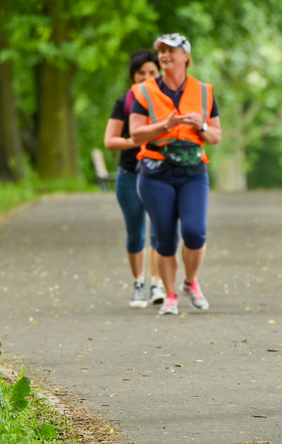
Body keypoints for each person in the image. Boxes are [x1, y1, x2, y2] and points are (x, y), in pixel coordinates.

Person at [129, 33, 221, 316]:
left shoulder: (204, 91)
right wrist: (165, 125)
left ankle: (190, 282)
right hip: (156, 174)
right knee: (165, 237)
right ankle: (170, 295)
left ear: (185, 57)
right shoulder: (144, 91)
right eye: (162, 51)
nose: (165, 55)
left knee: (195, 232)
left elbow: (216, 135)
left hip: (193, 172)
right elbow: (135, 133)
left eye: (171, 50)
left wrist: (201, 127)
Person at [103, 49, 165, 308]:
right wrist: (135, 140)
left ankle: (157, 284)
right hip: (129, 174)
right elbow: (110, 141)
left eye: (152, 72)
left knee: (161, 233)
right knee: (135, 233)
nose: (147, 77)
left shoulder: (168, 101)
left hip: (160, 174)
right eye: (141, 73)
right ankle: (139, 283)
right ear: (133, 76)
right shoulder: (124, 102)